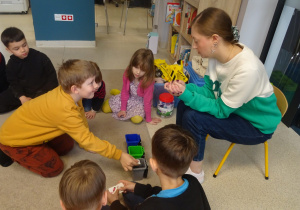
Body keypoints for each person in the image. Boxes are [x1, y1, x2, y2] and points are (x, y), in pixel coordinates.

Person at [164, 7, 282, 184]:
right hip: (236, 109)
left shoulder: (247, 70)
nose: (194, 46)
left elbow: (220, 110)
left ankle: (195, 173)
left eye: (196, 41)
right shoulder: (216, 56)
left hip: (256, 125)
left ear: (214, 39)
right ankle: (181, 152)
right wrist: (186, 90)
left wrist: (187, 94)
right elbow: (212, 92)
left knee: (194, 117)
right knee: (183, 104)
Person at [0, 59, 138, 176]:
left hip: (29, 127)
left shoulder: (70, 94)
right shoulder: (65, 110)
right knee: (54, 169)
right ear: (74, 88)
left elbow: (80, 116)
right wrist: (119, 155)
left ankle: (39, 144)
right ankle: (10, 153)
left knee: (67, 146)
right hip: (13, 140)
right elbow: (88, 139)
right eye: (91, 83)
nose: (97, 85)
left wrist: (84, 142)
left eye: (96, 81)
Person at [107, 124, 211, 210]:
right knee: (129, 195)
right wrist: (137, 187)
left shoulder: (150, 206)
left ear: (153, 164)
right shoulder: (193, 181)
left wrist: (114, 203)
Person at [0, 27, 58, 113]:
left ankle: (32, 104)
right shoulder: (11, 65)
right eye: (17, 49)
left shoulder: (41, 57)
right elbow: (13, 83)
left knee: (49, 107)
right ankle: (27, 103)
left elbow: (52, 78)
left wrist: (44, 95)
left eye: (24, 45)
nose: (23, 50)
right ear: (8, 50)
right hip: (24, 92)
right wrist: (22, 97)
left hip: (43, 91)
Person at [102, 48, 161, 125]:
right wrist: (123, 109)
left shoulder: (148, 82)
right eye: (136, 67)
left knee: (136, 119)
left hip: (140, 101)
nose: (138, 72)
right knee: (105, 109)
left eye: (143, 70)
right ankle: (117, 94)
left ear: (148, 70)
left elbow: (147, 101)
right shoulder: (127, 72)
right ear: (131, 64)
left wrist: (148, 119)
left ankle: (117, 93)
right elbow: (125, 91)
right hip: (129, 96)